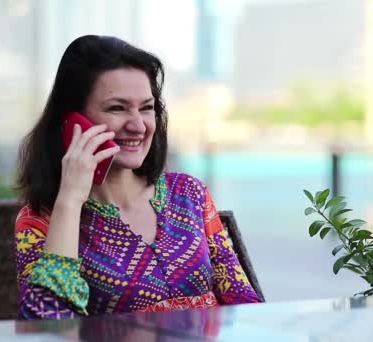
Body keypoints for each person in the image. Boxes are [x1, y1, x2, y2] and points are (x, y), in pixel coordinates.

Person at [14, 35, 262, 319]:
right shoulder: (40, 221)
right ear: (73, 122)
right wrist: (69, 201)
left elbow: (244, 302)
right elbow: (46, 325)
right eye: (117, 108)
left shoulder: (189, 193)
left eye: (146, 107)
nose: (138, 125)